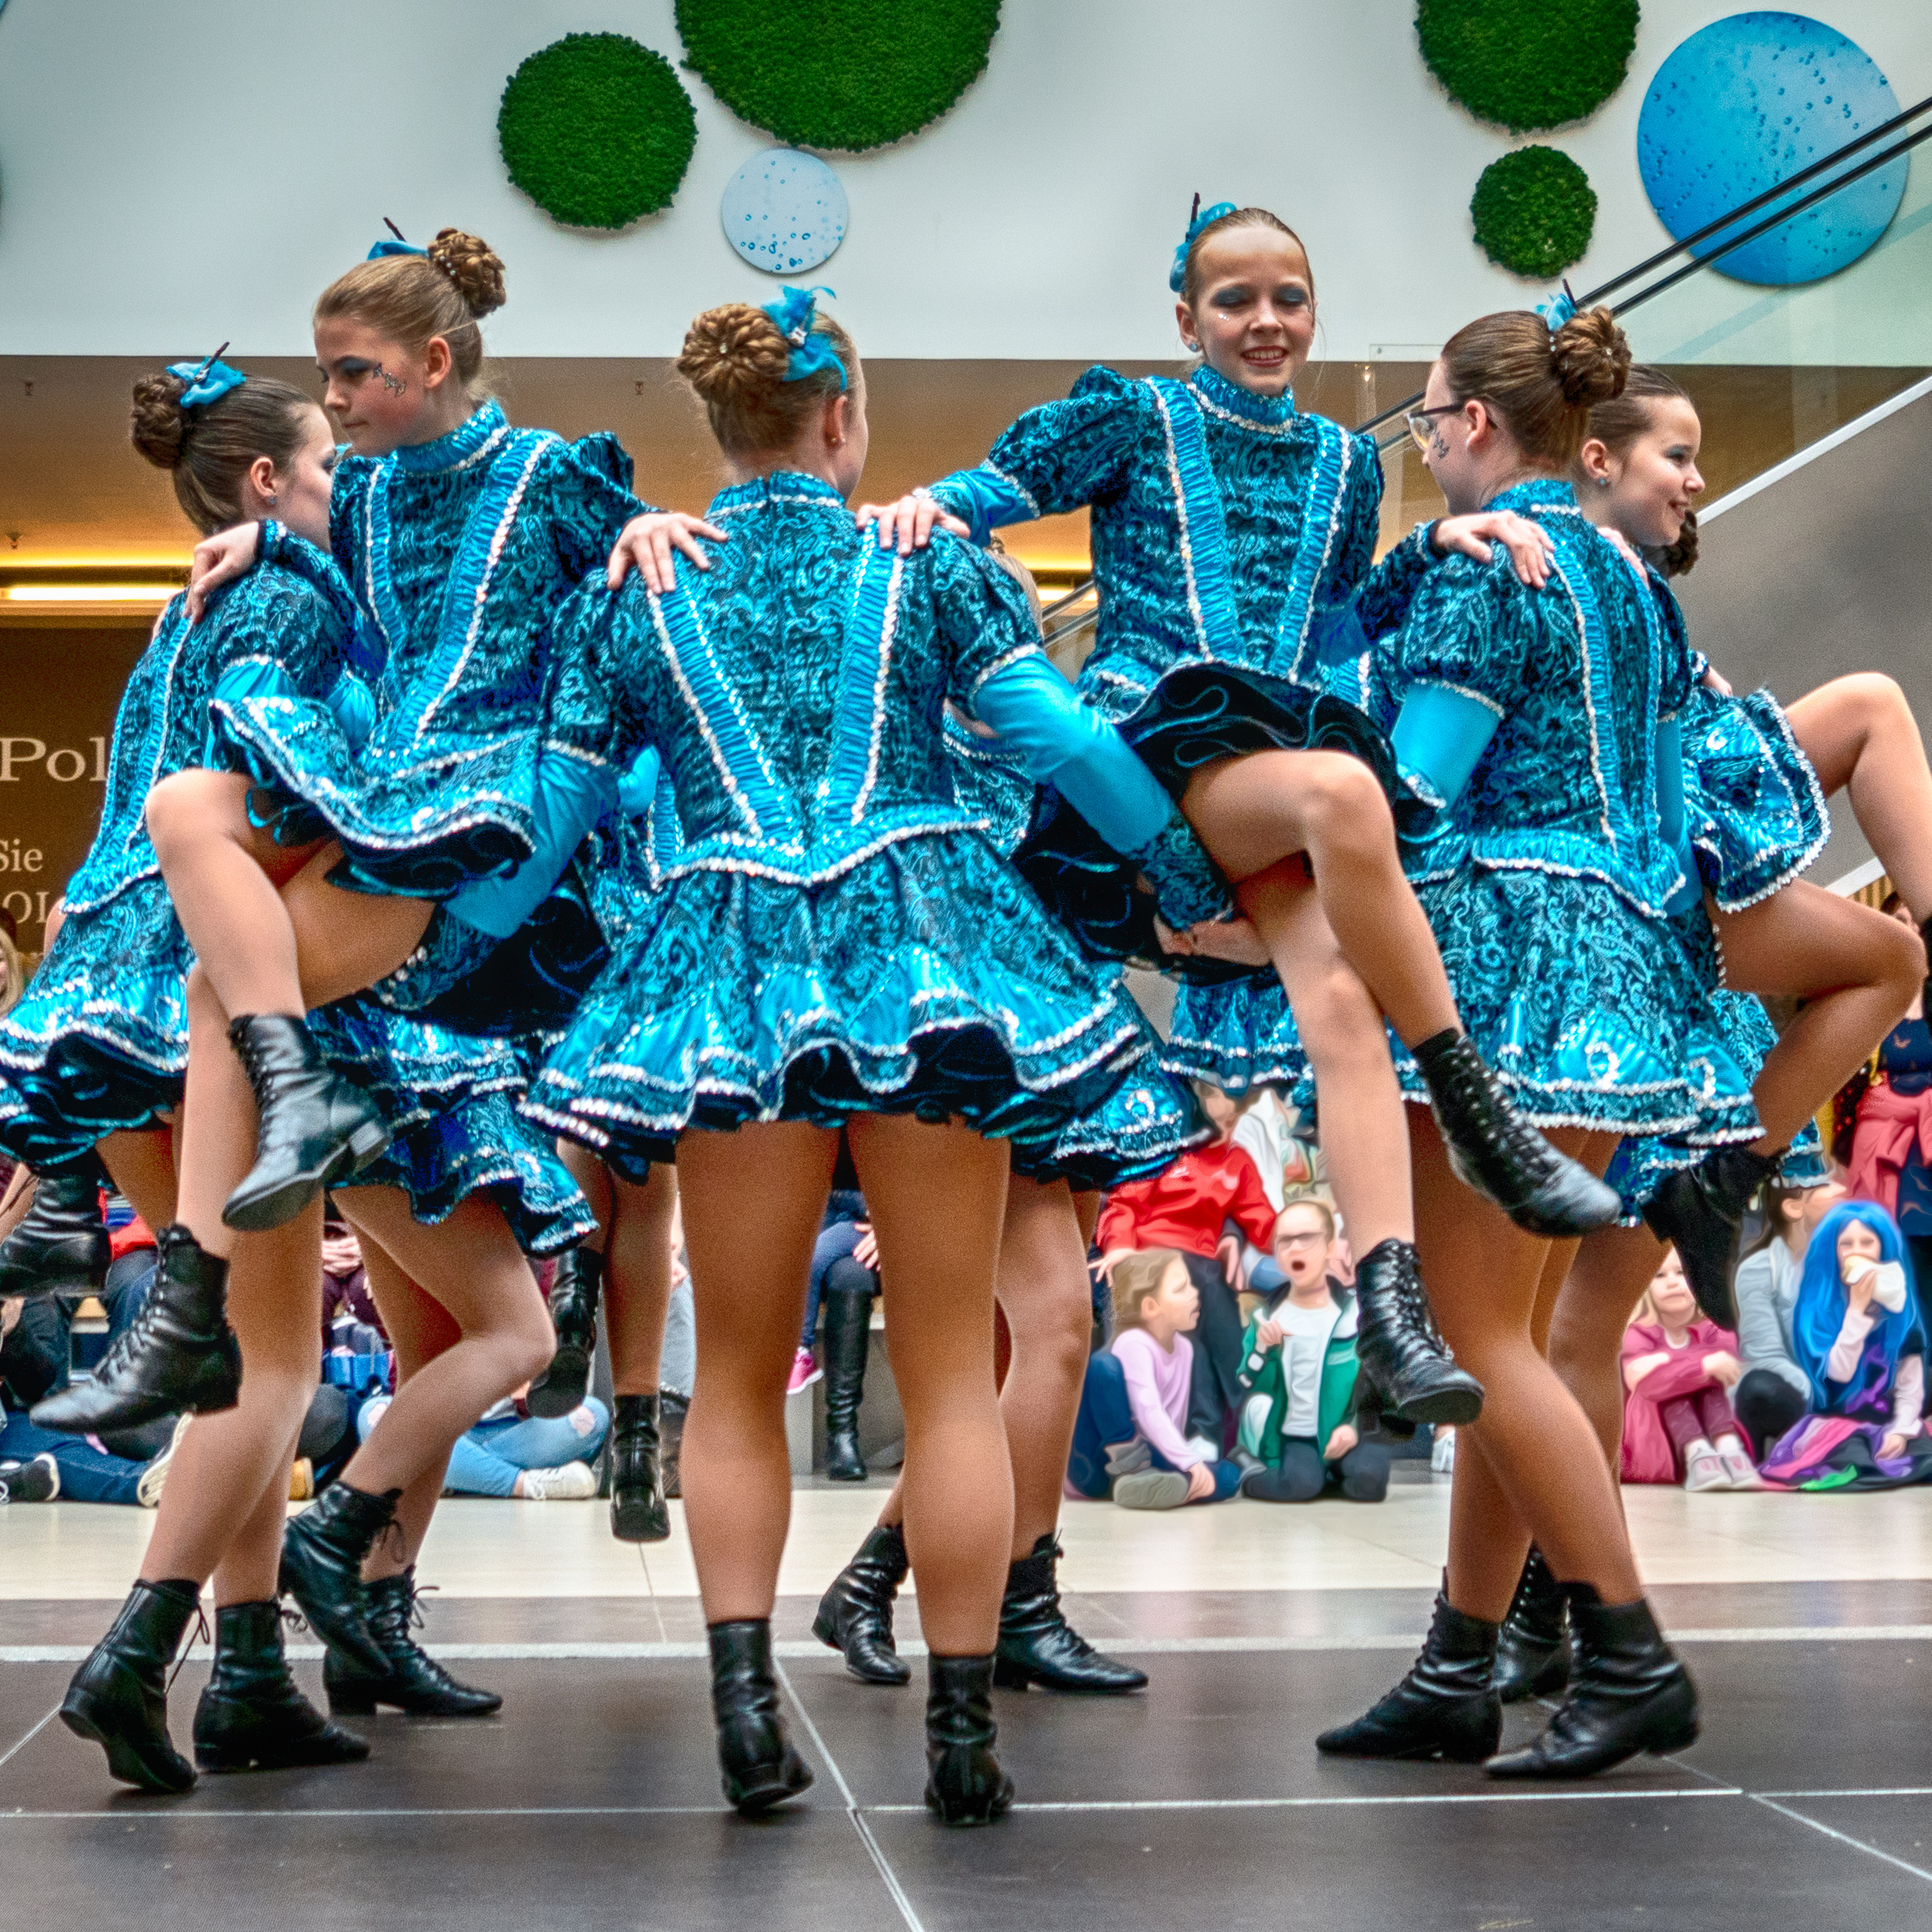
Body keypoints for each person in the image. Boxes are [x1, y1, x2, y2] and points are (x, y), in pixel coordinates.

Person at [630, 204, 1626, 1433]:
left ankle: (1392, 1306)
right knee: (1339, 800)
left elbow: (1336, 622)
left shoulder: (1345, 460)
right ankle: (1471, 1102)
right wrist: (910, 507)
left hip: (1269, 748)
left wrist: (1432, 551)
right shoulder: (1133, 417)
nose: (1266, 321)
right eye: (1234, 300)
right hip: (1158, 740)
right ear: (1185, 319)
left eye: (1289, 298)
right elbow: (982, 492)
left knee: (1337, 999)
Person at [526, 290, 1233, 1824]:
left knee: (730, 1370)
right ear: (844, 418)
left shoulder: (634, 587)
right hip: (931, 952)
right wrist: (1189, 877)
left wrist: (443, 949)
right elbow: (1057, 737)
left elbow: (557, 812)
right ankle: (962, 1742)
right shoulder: (930, 563)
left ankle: (740, 1705)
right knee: (947, 1372)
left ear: (717, 430)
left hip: (727, 957)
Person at [122, 227, 705, 1423]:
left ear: (433, 360)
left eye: (352, 372)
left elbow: (659, 607)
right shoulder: (372, 492)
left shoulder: (548, 476)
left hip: (474, 814)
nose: (331, 399)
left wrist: (649, 530)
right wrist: (272, 537)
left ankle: (193, 1305)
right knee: (185, 817)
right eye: (327, 374)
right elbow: (358, 609)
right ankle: (227, 1247)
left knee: (215, 995)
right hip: (373, 781)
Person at [1316, 304, 1744, 1780]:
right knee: (1506, 1322)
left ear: (1479, 427)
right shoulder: (1631, 574)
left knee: (1478, 1331)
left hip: (1514, 975)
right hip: (1630, 977)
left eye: (1430, 417)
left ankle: (1626, 1648)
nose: (1426, 441)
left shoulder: (1493, 568)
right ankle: (1457, 1659)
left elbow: (1413, 794)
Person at [49, 361, 375, 1793]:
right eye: (323, 469)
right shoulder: (291, 597)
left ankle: (250, 1670)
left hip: (99, 987)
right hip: (208, 983)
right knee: (281, 1353)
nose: (339, 489)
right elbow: (275, 768)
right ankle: (135, 1650)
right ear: (264, 483)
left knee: (228, 1348)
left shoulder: (168, 612)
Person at [1092, 1085, 1279, 1443]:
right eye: (1212, 1094)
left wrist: (1310, 1240)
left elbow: (1262, 1222)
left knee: (1220, 1330)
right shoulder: (1158, 1149)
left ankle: (1216, 1437)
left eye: (1233, 1100)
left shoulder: (1236, 1161)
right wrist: (1118, 1247)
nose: (1223, 1107)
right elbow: (1124, 1206)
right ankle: (1168, 1436)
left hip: (1201, 1261)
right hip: (1147, 1254)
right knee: (1189, 1290)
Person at [1761, 1200, 1932, 1487]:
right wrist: (1856, 1312)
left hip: (1885, 1421)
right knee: (1851, 1453)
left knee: (1919, 1452)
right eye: (1847, 1244)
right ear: (1833, 1251)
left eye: (1867, 1242)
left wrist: (1901, 1430)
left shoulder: (1900, 1309)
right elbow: (1838, 1376)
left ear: (1883, 1248)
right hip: (1834, 1420)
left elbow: (1909, 1384)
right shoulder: (1817, 1307)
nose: (1858, 1252)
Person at [1234, 1198, 1388, 1502]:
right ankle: (1253, 1475)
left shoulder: (1354, 1315)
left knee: (1370, 1482)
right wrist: (1262, 1350)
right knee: (1300, 1486)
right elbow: (1244, 1385)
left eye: (1306, 1238)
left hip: (1344, 1431)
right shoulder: (1268, 1318)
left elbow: (1374, 1388)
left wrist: (1353, 1429)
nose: (1295, 1248)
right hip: (1296, 1435)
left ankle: (1323, 1475)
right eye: (1285, 1241)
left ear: (1330, 1246)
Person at [1066, 1248, 1242, 1508]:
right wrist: (1188, 1462)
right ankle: (1136, 1477)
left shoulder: (1185, 1348)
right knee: (1102, 1366)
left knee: (1230, 1475)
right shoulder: (1133, 1343)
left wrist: (1187, 1463)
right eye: (1181, 1288)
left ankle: (1150, 1487)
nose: (1195, 1293)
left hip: (1148, 1461)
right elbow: (1150, 1412)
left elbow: (1173, 1418)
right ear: (1151, 1307)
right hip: (1096, 1466)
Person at [1619, 1249, 1758, 1489]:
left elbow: (1731, 1362)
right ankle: (1699, 1455)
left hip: (1715, 1423)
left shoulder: (1714, 1329)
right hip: (1660, 1444)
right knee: (1678, 1394)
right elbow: (1646, 1384)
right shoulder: (1639, 1334)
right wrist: (1702, 1366)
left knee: (1707, 1391)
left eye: (1682, 1272)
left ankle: (1730, 1452)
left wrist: (1668, 1364)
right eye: (1659, 1276)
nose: (1672, 1282)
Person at [1848, 895, 1932, 1286]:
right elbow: (1843, 1090)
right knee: (1904, 1264)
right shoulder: (1870, 1002)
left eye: (1918, 923)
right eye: (1900, 921)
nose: (1911, 931)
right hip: (1891, 1158)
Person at [1732, 1179, 1846, 1456]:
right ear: (1794, 1208)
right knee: (1759, 1389)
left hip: (1851, 1377)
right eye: (1824, 1185)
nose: (1841, 1188)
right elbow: (1765, 1354)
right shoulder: (1758, 1269)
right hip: (1798, 1388)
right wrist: (1816, 1395)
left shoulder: (1856, 1255)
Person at [355, 1385, 608, 1499]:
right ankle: (525, 1485)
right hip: (444, 1429)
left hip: (517, 1432)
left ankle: (452, 1474)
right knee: (374, 1416)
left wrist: (536, 1382)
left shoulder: (536, 1285)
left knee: (591, 1416)